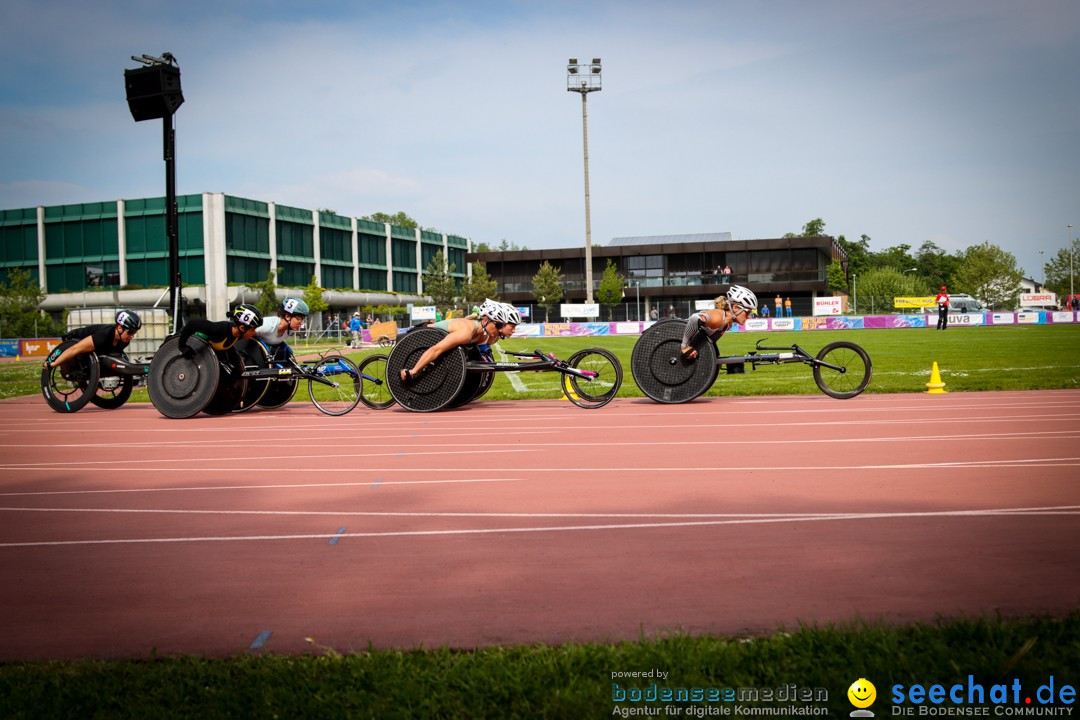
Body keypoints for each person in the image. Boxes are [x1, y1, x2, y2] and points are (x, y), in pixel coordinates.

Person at [400, 299, 519, 381]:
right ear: (487, 321)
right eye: (512, 327)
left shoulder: (488, 336)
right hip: (418, 337)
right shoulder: (466, 332)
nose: (513, 331)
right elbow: (436, 349)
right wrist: (413, 371)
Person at [44, 309, 142, 370]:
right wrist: (53, 364)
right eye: (130, 332)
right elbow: (75, 349)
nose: (132, 336)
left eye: (134, 333)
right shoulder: (105, 335)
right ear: (120, 328)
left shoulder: (124, 341)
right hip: (75, 338)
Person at [679, 285, 758, 360]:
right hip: (677, 340)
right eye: (747, 312)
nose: (749, 316)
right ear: (736, 308)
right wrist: (684, 347)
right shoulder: (719, 317)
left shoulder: (727, 323)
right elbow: (694, 319)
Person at [177, 304, 263, 356]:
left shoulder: (238, 334)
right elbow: (192, 324)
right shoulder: (219, 329)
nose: (254, 332)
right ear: (242, 328)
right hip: (181, 341)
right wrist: (182, 346)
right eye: (253, 329)